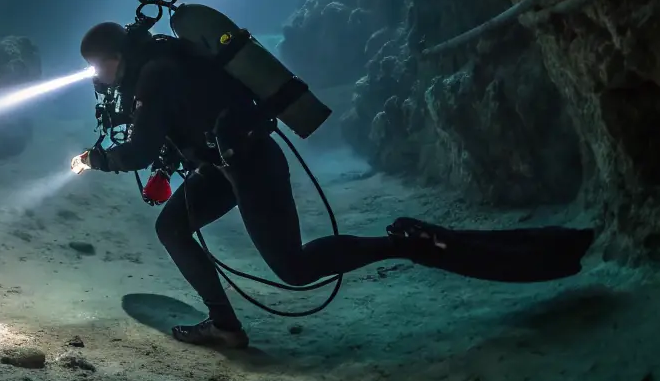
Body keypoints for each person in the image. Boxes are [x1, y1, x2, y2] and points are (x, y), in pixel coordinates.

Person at [72, 20, 595, 350]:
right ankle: (224, 325)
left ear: (116, 57)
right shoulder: (165, 61)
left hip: (249, 164)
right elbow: (173, 137)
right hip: (229, 164)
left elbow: (140, 149)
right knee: (173, 227)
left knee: (294, 267)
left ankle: (403, 243)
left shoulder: (155, 74)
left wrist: (96, 159)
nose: (98, 77)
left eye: (98, 67)